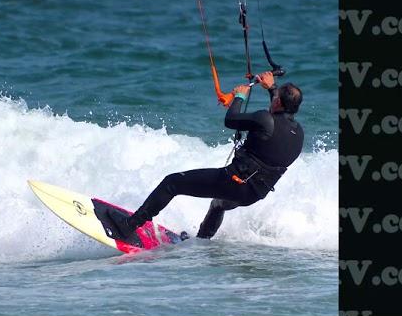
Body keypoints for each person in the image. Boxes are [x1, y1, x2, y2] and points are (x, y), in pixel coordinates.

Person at [112, 71, 304, 240]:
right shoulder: (299, 134)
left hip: (234, 182)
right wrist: (272, 88)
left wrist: (239, 97)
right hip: (253, 194)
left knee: (172, 183)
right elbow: (277, 116)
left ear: (278, 101)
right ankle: (203, 242)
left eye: (276, 97)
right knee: (219, 204)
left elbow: (230, 120)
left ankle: (129, 226)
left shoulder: (265, 119)